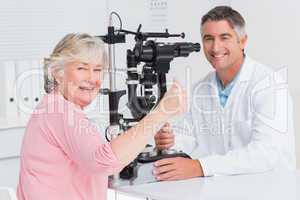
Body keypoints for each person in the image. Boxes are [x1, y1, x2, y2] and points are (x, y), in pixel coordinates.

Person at [17, 33, 187, 200]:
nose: (92, 79)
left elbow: (94, 161)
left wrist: (149, 133)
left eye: (97, 70)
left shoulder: (53, 107)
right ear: (57, 72)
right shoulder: (59, 111)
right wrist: (161, 112)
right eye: (82, 68)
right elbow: (104, 162)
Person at [153, 5, 296, 181]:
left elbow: (265, 154)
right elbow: (189, 137)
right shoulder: (201, 89)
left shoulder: (269, 85)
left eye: (224, 37)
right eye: (208, 38)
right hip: (219, 190)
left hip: (268, 189)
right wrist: (171, 141)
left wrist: (200, 167)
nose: (215, 47)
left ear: (242, 41)